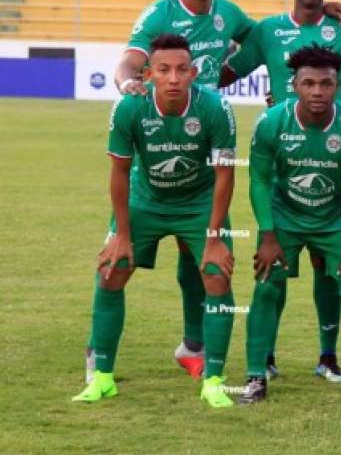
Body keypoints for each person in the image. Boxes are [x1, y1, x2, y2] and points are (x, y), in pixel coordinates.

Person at [95, 0, 254, 382]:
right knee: (114, 265)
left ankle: (195, 348)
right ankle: (100, 350)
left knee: (198, 267)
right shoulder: (159, 15)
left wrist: (227, 76)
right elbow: (130, 62)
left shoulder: (230, 16)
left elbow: (265, 43)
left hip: (203, 148)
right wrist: (129, 85)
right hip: (161, 149)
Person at [72, 33, 240, 409]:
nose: (174, 78)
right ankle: (101, 377)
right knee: (112, 270)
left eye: (182, 69)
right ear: (148, 75)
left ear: (194, 72)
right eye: (164, 70)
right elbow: (119, 174)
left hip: (198, 203)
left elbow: (225, 177)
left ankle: (213, 380)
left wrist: (214, 237)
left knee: (216, 273)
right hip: (145, 199)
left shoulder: (216, 108)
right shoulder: (130, 108)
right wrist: (122, 234)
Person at [239, 44, 341, 405]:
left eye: (326, 84)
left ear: (338, 85)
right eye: (309, 83)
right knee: (267, 286)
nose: (318, 92)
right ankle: (256, 376)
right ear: (295, 85)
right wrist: (268, 235)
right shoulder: (271, 123)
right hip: (284, 214)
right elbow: (257, 180)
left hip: (336, 216)